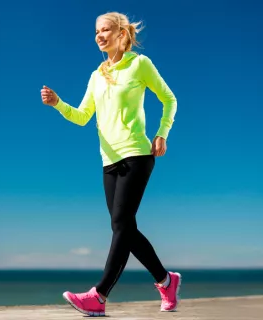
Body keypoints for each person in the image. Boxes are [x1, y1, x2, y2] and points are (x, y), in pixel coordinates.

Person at [41, 11, 180, 317]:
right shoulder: (95, 76)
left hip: (137, 154)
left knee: (120, 224)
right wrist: (58, 104)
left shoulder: (139, 64)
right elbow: (82, 117)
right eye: (96, 32)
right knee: (124, 227)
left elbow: (169, 99)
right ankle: (166, 281)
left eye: (105, 30)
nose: (99, 36)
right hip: (109, 160)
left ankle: (99, 296)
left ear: (121, 34)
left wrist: (162, 133)